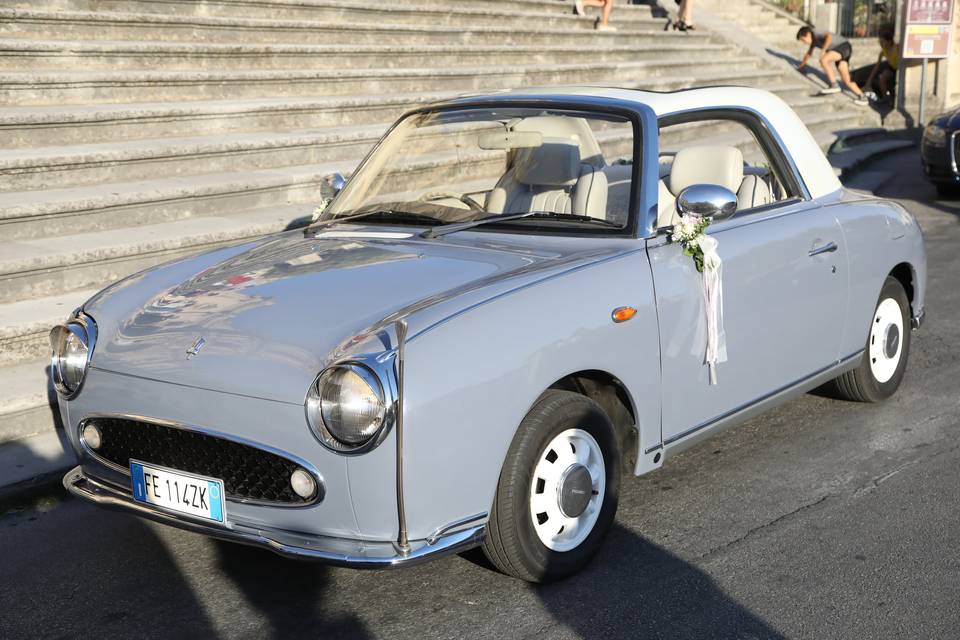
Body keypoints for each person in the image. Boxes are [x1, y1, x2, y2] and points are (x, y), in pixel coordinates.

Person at [796, 26, 869, 106]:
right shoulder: (813, 42)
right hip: (843, 50)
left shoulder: (816, 33)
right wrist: (802, 66)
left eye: (803, 40)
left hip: (843, 46)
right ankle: (862, 97)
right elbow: (808, 54)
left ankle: (834, 84)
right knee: (846, 79)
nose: (804, 42)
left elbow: (829, 37)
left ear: (807, 34)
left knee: (824, 60)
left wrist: (823, 50)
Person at [865, 27, 899, 103]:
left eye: (883, 42)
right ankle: (886, 98)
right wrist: (869, 81)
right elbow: (877, 66)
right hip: (892, 68)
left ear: (889, 42)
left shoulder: (897, 48)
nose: (881, 44)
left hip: (900, 69)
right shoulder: (883, 52)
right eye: (879, 42)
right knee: (882, 78)